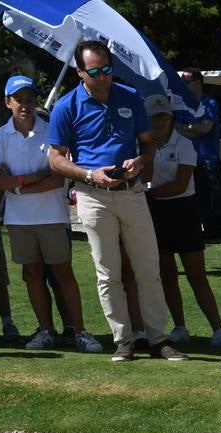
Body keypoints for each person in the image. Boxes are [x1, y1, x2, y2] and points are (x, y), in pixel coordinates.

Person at [47, 40, 187, 362]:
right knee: (107, 272)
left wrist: (141, 161)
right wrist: (89, 175)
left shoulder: (130, 96)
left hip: (132, 192)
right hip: (93, 196)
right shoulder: (66, 106)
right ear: (80, 72)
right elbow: (55, 159)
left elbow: (148, 145)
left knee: (148, 268)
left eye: (107, 69)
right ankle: (123, 340)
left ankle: (158, 339)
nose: (102, 77)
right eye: (94, 71)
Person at [0, 75, 100, 353]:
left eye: (30, 100)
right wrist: (32, 178)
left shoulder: (53, 131)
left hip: (52, 216)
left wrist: (16, 185)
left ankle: (80, 332)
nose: (25, 105)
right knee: (32, 275)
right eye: (19, 100)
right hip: (19, 221)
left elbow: (58, 179)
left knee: (64, 274)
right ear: (8, 103)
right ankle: (46, 330)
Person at [141, 93, 221, 350]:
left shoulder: (183, 144)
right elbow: (145, 176)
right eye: (155, 117)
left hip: (184, 210)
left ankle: (219, 330)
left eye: (164, 116)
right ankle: (180, 327)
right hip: (155, 213)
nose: (160, 121)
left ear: (171, 118)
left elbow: (180, 184)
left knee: (197, 275)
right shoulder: (143, 145)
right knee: (167, 274)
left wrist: (146, 193)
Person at [174, 69, 221, 239]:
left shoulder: (209, 102)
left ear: (198, 82)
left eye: (187, 81)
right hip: (189, 159)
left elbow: (206, 128)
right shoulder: (182, 104)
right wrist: (194, 129)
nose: (183, 85)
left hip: (209, 159)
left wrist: (188, 128)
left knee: (216, 196)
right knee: (197, 197)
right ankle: (204, 230)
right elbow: (177, 128)